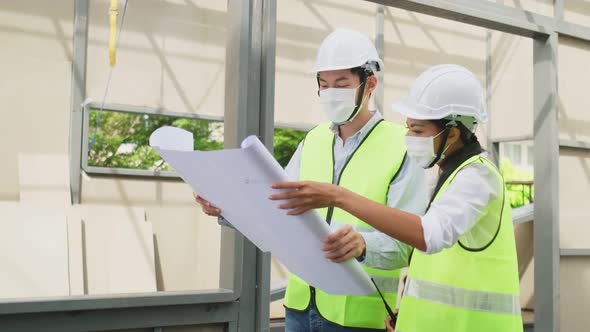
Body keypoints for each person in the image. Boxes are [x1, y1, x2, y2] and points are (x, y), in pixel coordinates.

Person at [195, 28, 427, 331]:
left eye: (341, 84)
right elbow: (274, 207)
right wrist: (227, 209)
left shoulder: (402, 145)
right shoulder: (314, 140)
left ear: (370, 83)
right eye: (324, 84)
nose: (331, 93)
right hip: (301, 309)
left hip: (358, 316)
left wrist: (363, 244)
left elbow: (408, 242)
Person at [270, 64, 524, 332]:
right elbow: (433, 266)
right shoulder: (448, 176)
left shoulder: (477, 178)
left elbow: (429, 235)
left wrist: (338, 196)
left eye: (417, 130)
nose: (409, 138)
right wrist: (410, 311)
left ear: (452, 133)